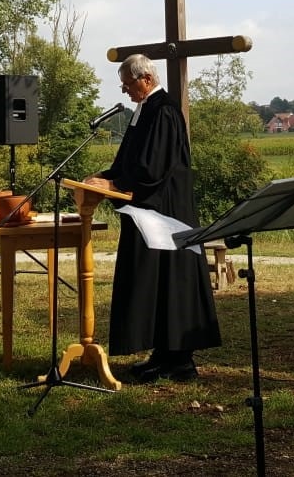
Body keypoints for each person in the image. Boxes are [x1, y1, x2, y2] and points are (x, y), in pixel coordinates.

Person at [82, 54, 221, 382]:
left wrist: (116, 184)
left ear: (145, 79)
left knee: (169, 282)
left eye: (128, 84)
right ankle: (163, 354)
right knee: (155, 284)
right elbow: (131, 159)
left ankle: (180, 359)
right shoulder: (145, 110)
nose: (125, 91)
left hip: (165, 212)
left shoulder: (164, 111)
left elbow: (152, 167)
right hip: (148, 209)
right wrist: (104, 175)